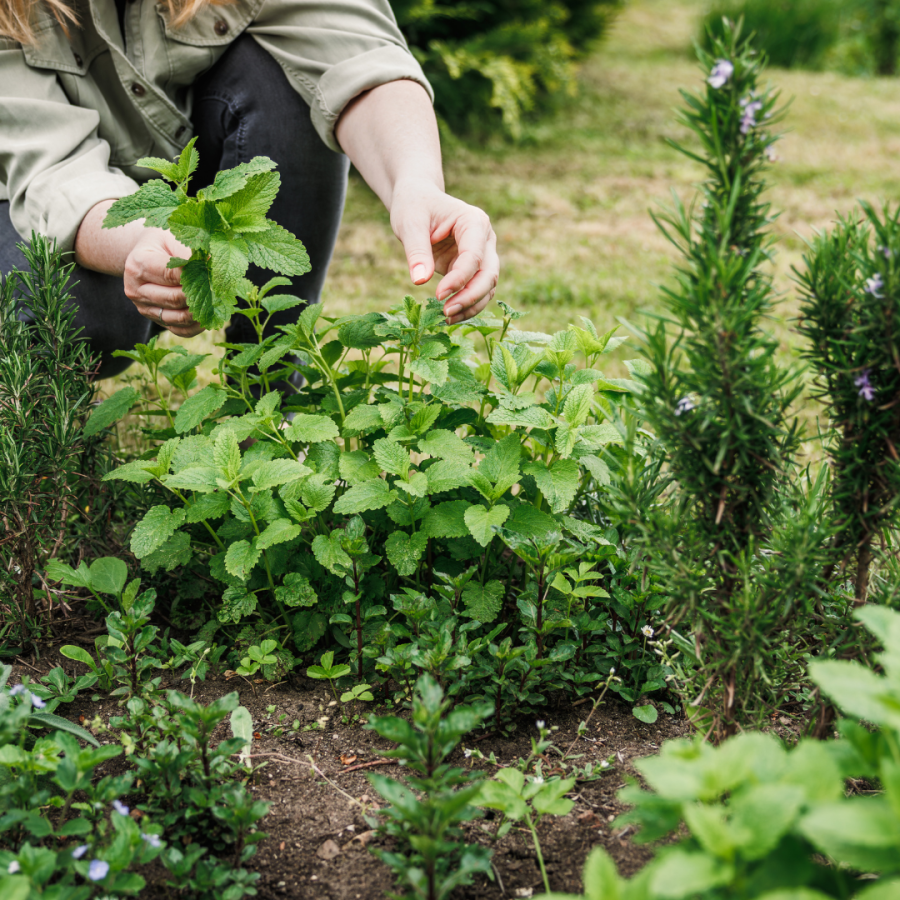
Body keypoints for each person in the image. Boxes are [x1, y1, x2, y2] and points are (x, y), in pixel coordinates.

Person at [0, 0, 500, 378]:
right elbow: (51, 168)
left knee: (289, 84)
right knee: (70, 317)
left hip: (186, 155)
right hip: (31, 196)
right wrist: (142, 242)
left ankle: (269, 398)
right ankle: (39, 447)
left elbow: (352, 45)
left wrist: (416, 181)